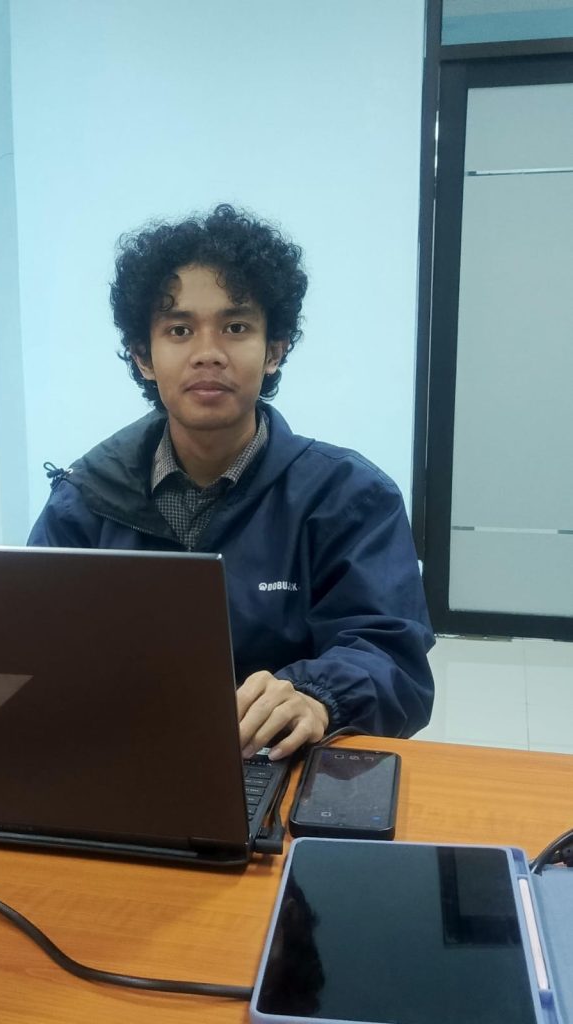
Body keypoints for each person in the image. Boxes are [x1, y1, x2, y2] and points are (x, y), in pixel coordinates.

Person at [28, 204, 434, 759]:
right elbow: (31, 653)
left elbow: (393, 659)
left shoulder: (349, 497)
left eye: (236, 327)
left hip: (284, 765)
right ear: (144, 357)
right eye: (179, 330)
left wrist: (317, 698)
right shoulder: (85, 500)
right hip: (123, 762)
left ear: (274, 350)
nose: (208, 354)